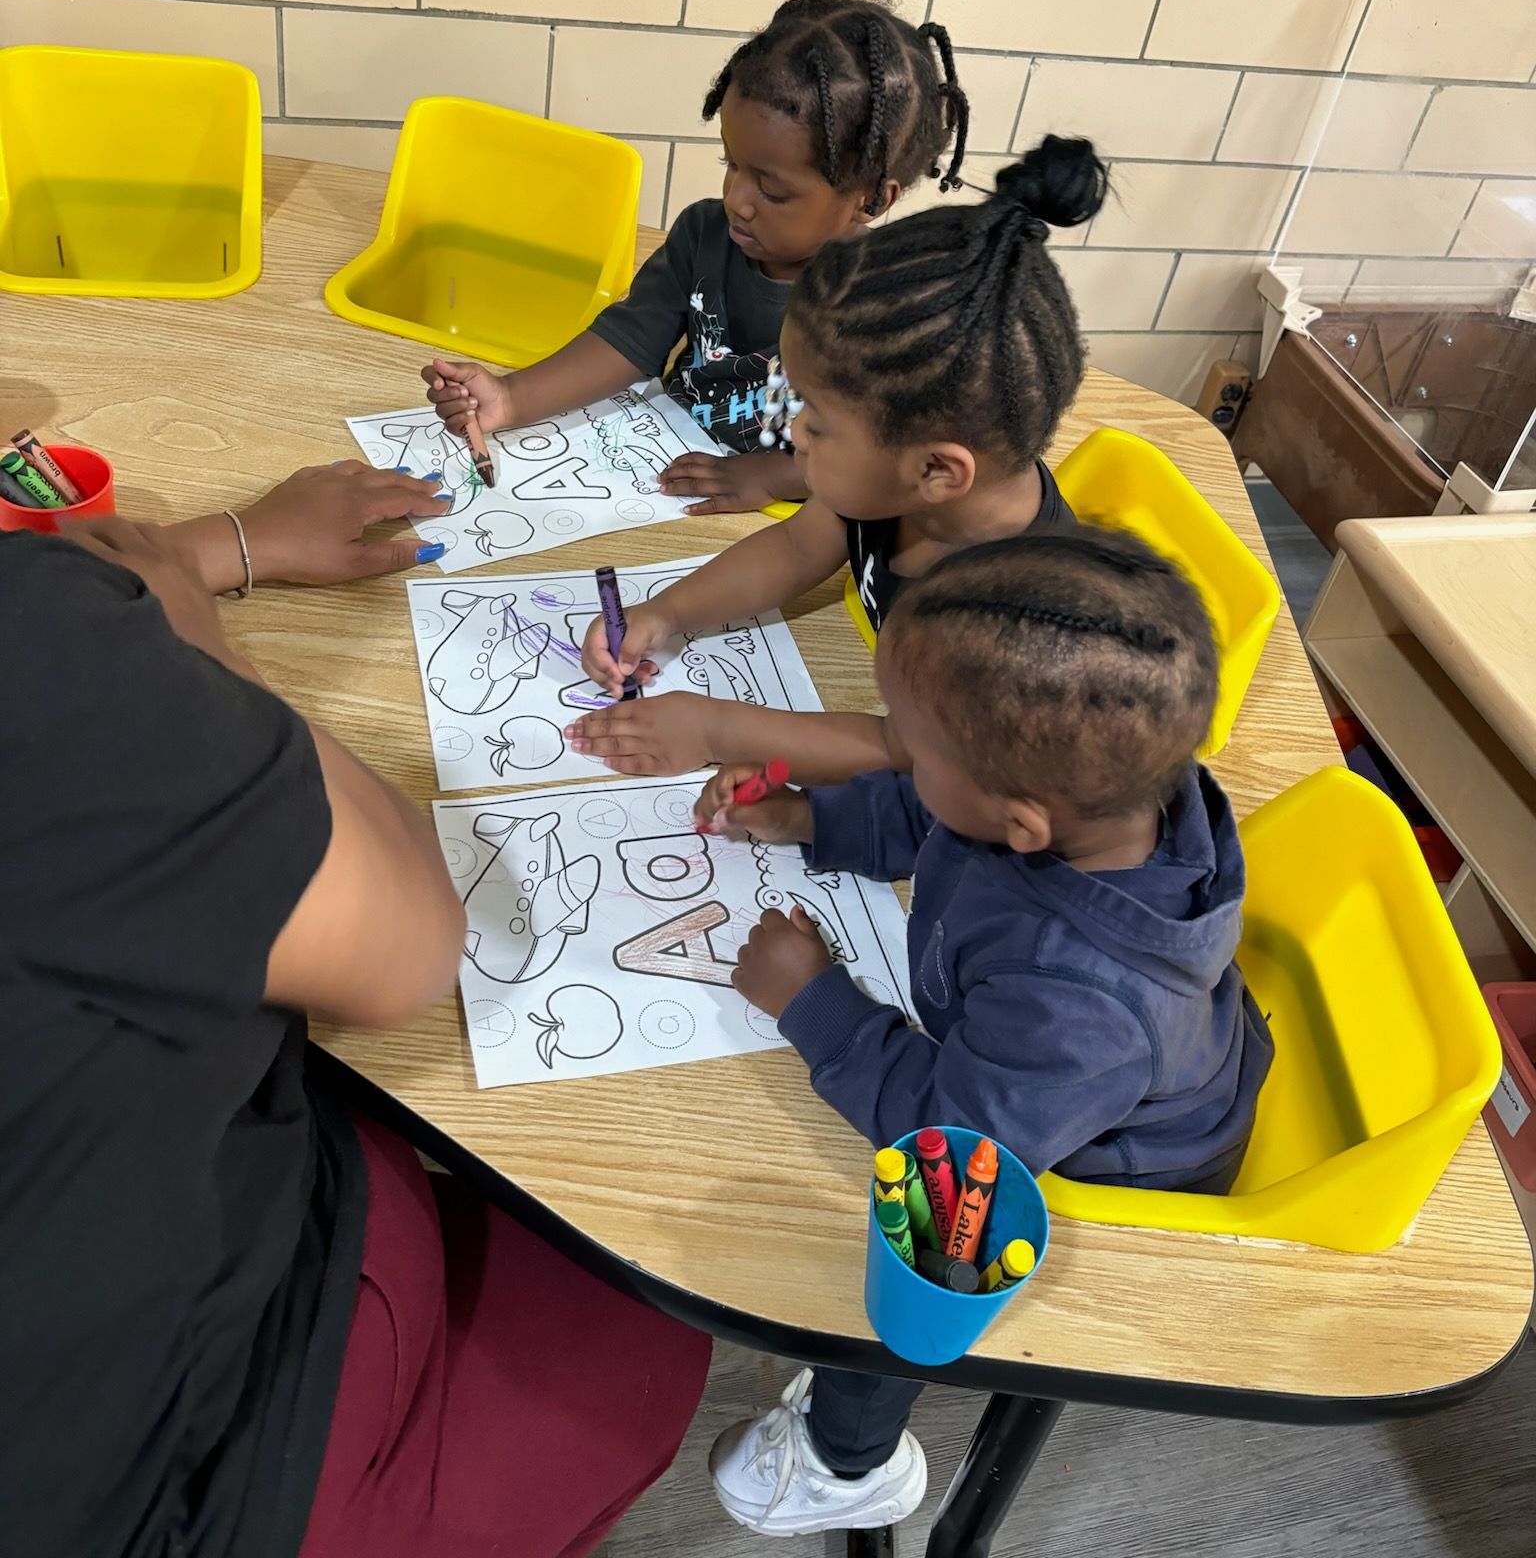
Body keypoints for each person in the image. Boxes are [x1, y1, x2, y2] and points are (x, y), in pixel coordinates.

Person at [0, 461, 709, 1558]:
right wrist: (199, 642)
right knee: (645, 1314)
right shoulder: (39, 659)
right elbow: (413, 946)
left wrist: (219, 548)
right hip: (193, 1473)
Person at [692, 527, 1274, 1537]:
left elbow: (948, 1143)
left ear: (1022, 823)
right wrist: (810, 818)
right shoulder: (1091, 795)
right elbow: (938, 818)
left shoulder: (1078, 1001)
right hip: (1040, 1080)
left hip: (1108, 1171)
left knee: (913, 1257)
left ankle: (846, 1461)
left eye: (914, 752)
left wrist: (811, 1001)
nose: (900, 759)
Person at [567, 138, 1107, 784]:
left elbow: (907, 756)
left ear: (936, 471)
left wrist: (714, 732)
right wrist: (665, 615)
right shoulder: (900, 487)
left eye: (816, 422)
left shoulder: (1007, 627)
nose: (792, 432)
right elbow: (797, 547)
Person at [421, 0, 974, 516]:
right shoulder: (705, 234)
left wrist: (772, 477)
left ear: (870, 200)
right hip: (661, 470)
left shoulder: (888, 307)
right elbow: (630, 340)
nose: (737, 200)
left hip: (784, 517)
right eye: (730, 164)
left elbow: (888, 458)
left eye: (772, 190)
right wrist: (511, 397)